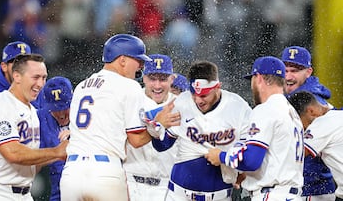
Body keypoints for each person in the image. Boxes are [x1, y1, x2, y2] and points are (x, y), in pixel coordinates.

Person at [59, 34, 155, 201]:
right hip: (105, 172)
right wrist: (160, 125)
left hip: (71, 173)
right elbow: (136, 140)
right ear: (122, 60)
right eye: (138, 60)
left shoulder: (82, 85)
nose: (140, 66)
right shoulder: (129, 86)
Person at [205, 56, 305, 201]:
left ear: (258, 78)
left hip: (272, 195)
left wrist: (220, 156)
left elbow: (251, 161)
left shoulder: (265, 109)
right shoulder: (290, 111)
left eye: (252, 80)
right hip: (289, 194)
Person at [151, 60, 252, 201]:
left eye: (204, 95)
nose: (199, 100)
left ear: (218, 87)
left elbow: (249, 153)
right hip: (179, 194)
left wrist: (235, 165)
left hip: (220, 196)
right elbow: (161, 146)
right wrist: (157, 128)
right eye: (194, 94)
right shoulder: (182, 102)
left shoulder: (238, 107)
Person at [0, 54, 68, 201]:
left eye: (44, 78)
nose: (41, 84)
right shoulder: (1, 105)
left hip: (24, 193)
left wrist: (68, 149)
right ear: (17, 76)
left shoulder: (32, 111)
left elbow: (33, 159)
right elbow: (12, 153)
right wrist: (56, 152)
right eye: (35, 77)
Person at [281, 46, 336, 200]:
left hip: (313, 190)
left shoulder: (312, 104)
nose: (289, 76)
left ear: (308, 72)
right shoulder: (288, 97)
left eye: (295, 71)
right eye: (285, 70)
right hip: (305, 189)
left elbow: (304, 151)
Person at [124, 53, 178, 201]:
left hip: (167, 187)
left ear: (172, 79)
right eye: (152, 78)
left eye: (163, 79)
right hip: (132, 183)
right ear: (143, 77)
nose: (157, 85)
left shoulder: (182, 105)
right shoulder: (130, 101)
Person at [288, 91, 343, 200]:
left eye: (299, 121)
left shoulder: (322, 123)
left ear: (311, 111)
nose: (301, 128)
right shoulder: (339, 115)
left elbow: (296, 153)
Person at [37, 76, 73, 201]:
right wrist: (57, 153)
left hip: (90, 183)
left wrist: (78, 134)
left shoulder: (87, 117)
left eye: (65, 107)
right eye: (56, 109)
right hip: (58, 189)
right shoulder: (38, 119)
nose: (62, 114)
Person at [0, 41, 31, 106]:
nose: (22, 67)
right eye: (16, 63)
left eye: (26, 63)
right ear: (4, 67)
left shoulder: (37, 90)